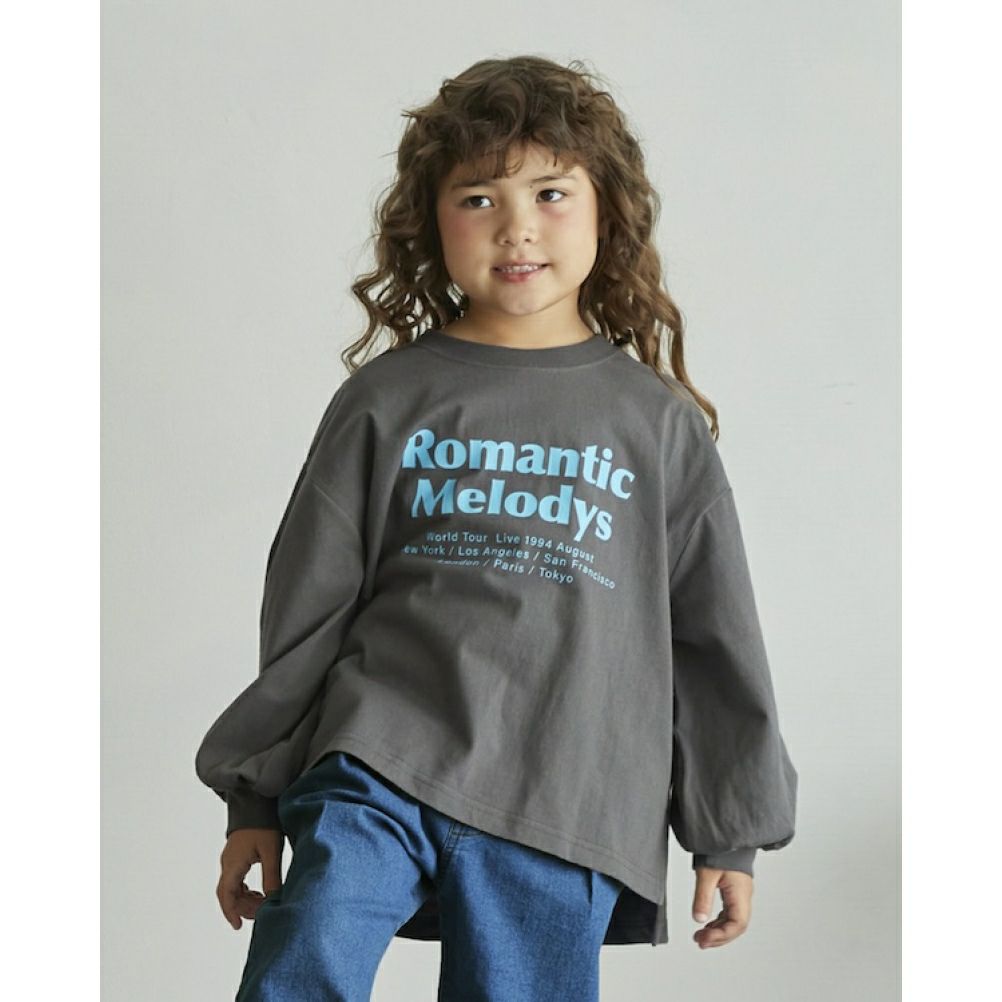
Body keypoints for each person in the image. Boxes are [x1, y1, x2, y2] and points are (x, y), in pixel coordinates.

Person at [194, 54, 798, 1001]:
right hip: (380, 755)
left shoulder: (654, 424)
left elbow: (714, 635)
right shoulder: (387, 399)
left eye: (551, 193)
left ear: (608, 212)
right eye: (478, 198)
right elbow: (308, 605)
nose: (517, 226)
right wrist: (255, 796)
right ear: (431, 222)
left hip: (565, 789)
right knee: (303, 957)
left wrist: (730, 832)